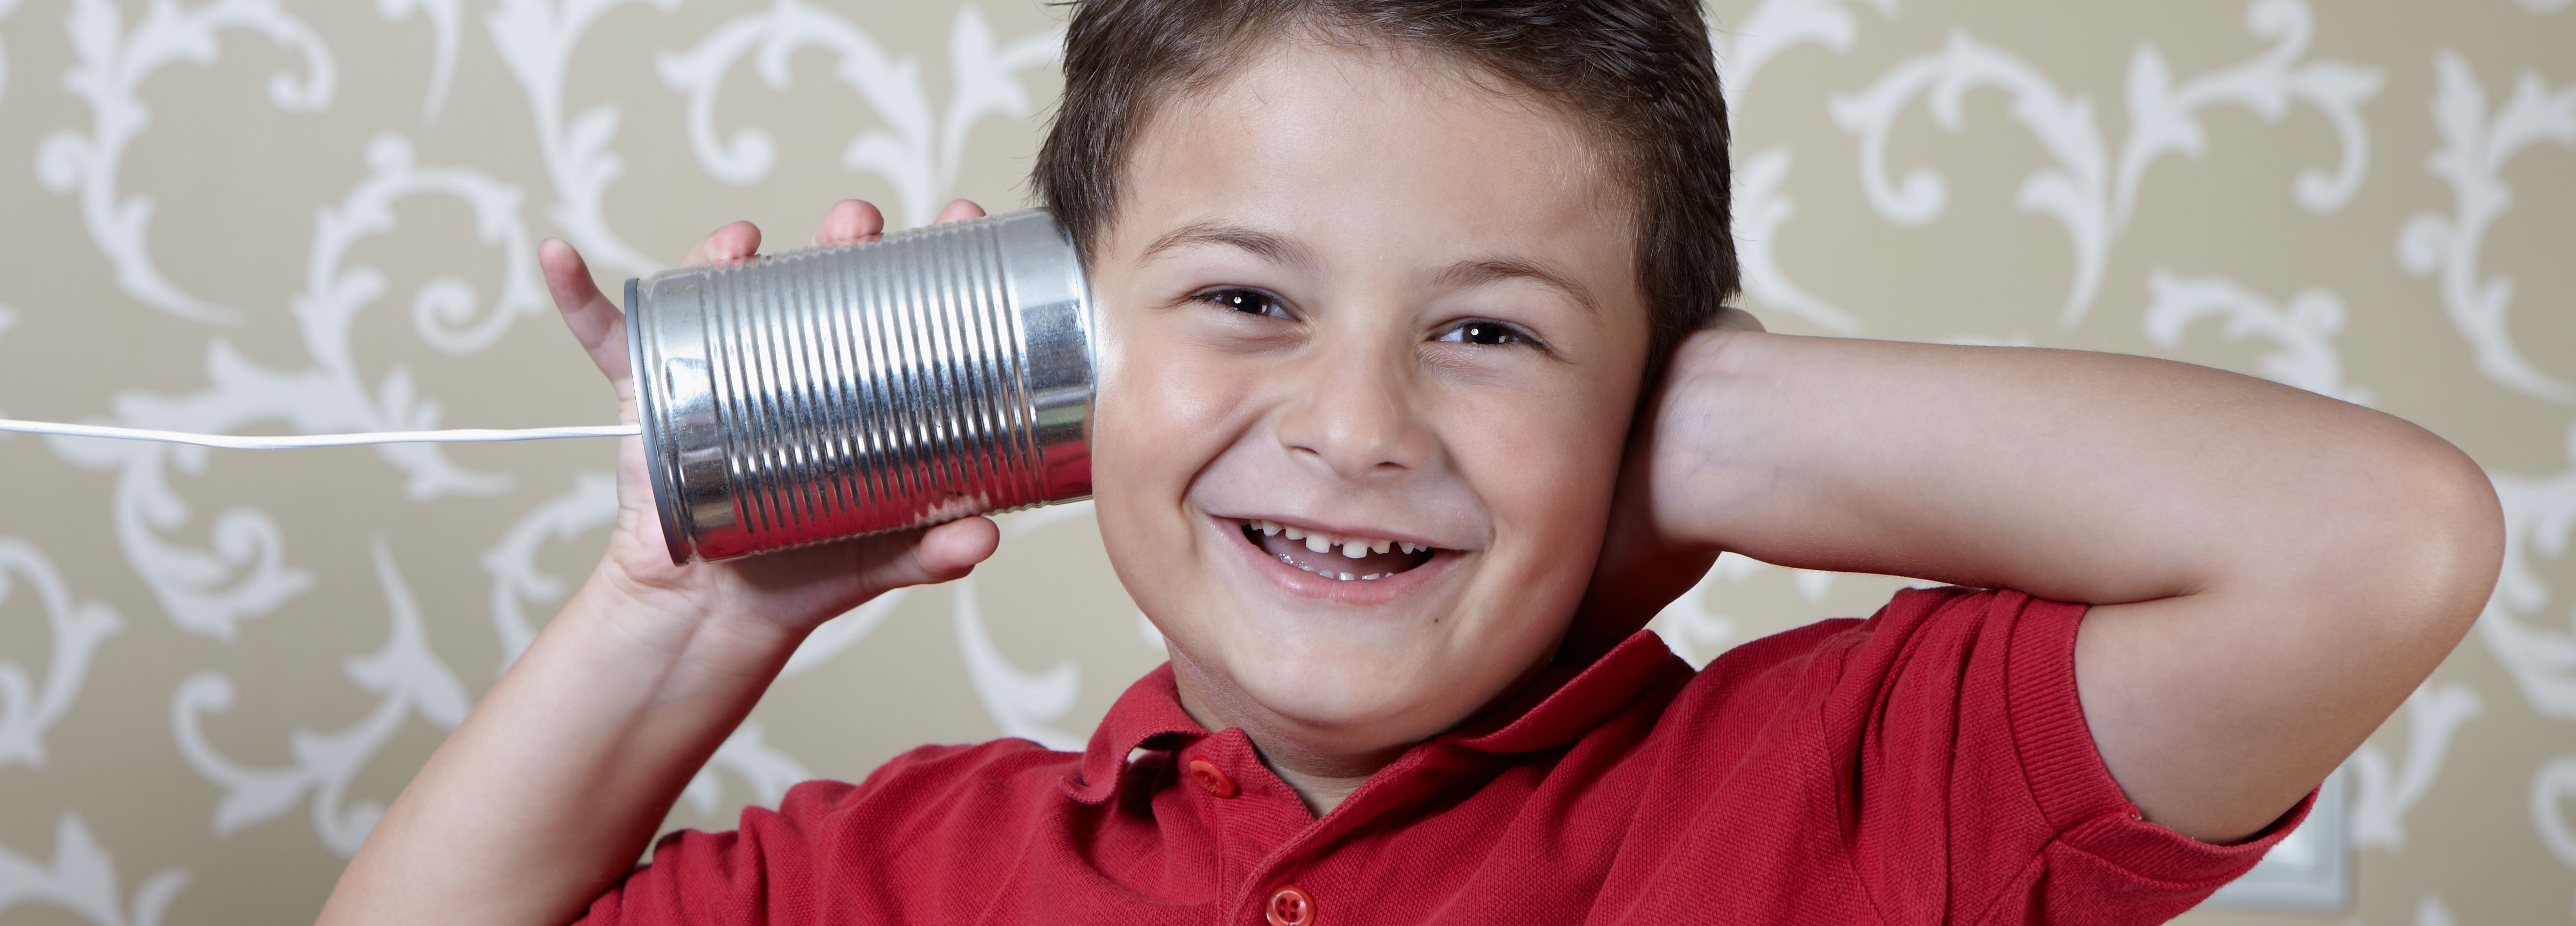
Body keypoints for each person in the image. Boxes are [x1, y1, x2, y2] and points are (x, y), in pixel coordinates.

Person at [317, 1, 2503, 923]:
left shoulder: (1849, 799)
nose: (1360, 426)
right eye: (1249, 300)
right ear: (1057, 348)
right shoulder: (923, 870)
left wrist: (1670, 417)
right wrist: (679, 608)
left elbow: (2374, 539)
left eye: (1484, 331)